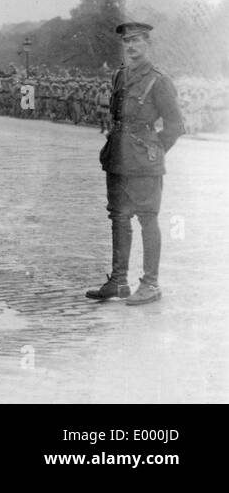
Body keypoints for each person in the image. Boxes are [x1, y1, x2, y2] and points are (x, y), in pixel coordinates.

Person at [87, 22, 183, 306]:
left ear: (148, 45)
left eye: (137, 41)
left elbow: (175, 125)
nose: (131, 47)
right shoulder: (120, 76)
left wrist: (154, 150)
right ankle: (118, 281)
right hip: (117, 156)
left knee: (147, 218)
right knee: (118, 217)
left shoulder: (159, 80)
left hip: (144, 160)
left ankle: (150, 283)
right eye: (127, 42)